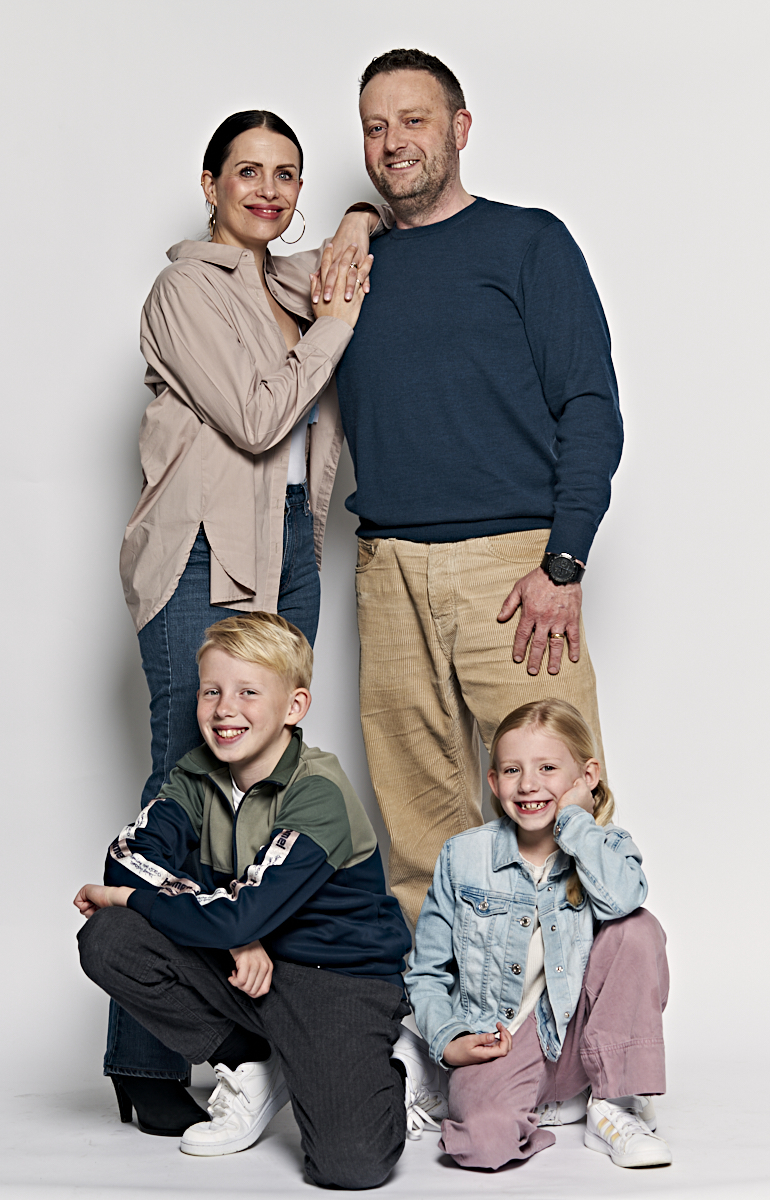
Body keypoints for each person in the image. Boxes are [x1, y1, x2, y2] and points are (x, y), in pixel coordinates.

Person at [109, 109, 375, 1130]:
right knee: (183, 787)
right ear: (211, 182)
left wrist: (357, 217)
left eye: (286, 174)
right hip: (200, 558)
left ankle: (250, 1042)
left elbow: (355, 251)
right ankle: (145, 1060)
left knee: (266, 787)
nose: (268, 190)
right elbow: (262, 419)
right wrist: (336, 326)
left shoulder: (290, 285)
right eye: (248, 171)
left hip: (289, 552)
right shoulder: (185, 291)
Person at [332, 49, 624, 928]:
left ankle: (586, 1004)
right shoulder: (349, 270)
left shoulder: (529, 241)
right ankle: (448, 1007)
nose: (393, 142)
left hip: (513, 568)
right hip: (388, 568)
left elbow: (590, 405)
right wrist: (354, 220)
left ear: (460, 129)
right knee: (420, 829)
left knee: (561, 806)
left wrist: (564, 561)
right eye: (375, 127)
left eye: (413, 120)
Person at [74, 613, 446, 1188]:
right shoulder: (195, 778)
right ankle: (250, 1062)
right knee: (109, 938)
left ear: (294, 707)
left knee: (350, 1165)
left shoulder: (318, 793)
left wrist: (209, 918)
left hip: (335, 978)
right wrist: (235, 935)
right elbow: (127, 858)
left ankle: (399, 1062)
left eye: (248, 692)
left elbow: (206, 905)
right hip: (249, 967)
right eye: (212, 691)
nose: (225, 709)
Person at [405, 698, 672, 1171]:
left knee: (638, 928)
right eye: (512, 770)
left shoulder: (607, 846)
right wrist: (447, 1039)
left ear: (586, 776)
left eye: (547, 767)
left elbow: (623, 901)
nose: (528, 784)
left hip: (579, 1035)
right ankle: (465, 1082)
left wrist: (575, 823)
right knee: (482, 1145)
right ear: (494, 781)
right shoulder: (464, 857)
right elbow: (427, 971)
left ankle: (612, 1101)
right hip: (504, 1037)